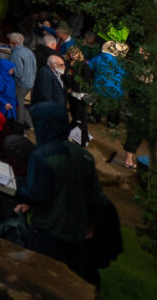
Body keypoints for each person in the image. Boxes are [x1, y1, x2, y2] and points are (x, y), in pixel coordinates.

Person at [12, 105, 111, 285]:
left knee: (41, 280)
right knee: (69, 280)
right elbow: (97, 198)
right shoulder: (84, 156)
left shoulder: (41, 156)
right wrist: (90, 223)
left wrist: (13, 189)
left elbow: (38, 195)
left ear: (44, 125)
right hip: (77, 232)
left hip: (47, 230)